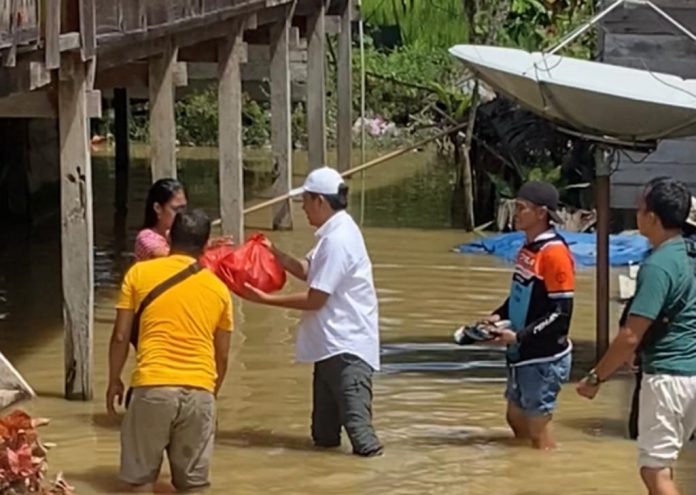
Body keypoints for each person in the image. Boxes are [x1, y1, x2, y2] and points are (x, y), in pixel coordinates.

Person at [239, 166, 383, 457]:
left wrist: (265, 299)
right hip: (329, 348)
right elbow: (310, 272)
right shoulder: (333, 234)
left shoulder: (338, 239)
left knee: (362, 438)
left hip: (347, 349)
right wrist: (275, 253)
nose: (303, 208)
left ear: (320, 201)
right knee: (323, 438)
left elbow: (316, 299)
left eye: (305, 201)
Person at [577, 177, 696, 495]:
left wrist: (595, 377)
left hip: (668, 378)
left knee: (654, 471)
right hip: (692, 374)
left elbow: (630, 335)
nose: (637, 213)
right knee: (665, 463)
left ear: (653, 218)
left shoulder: (658, 266)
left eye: (641, 208)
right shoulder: (690, 255)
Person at [107, 209, 234, 491]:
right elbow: (222, 355)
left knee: (139, 482)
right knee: (194, 486)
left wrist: (114, 379)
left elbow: (119, 336)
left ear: (170, 237)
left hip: (153, 387)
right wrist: (210, 394)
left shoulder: (139, 273)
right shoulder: (219, 289)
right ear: (204, 245)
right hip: (200, 391)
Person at [481, 181, 575, 450]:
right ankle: (524, 470)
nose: (515, 213)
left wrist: (518, 335)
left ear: (541, 213)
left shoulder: (554, 253)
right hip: (521, 352)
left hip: (543, 355)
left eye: (521, 208)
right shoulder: (528, 248)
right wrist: (497, 316)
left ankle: (547, 476)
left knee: (537, 430)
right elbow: (521, 295)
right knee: (515, 417)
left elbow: (561, 314)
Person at [135, 178, 187, 262]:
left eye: (183, 208)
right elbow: (174, 261)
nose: (181, 214)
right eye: (175, 209)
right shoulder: (146, 237)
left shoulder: (182, 235)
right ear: (158, 208)